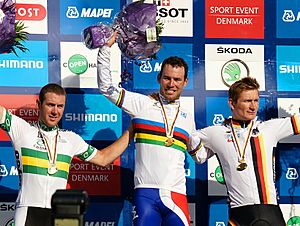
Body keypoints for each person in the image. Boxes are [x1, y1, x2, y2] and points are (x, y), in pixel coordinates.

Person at [97, 34, 207, 226]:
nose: (171, 84)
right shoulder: (141, 104)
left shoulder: (188, 117)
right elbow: (107, 88)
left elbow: (200, 156)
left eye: (177, 79)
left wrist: (225, 137)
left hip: (177, 196)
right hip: (145, 194)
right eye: (167, 78)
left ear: (185, 82)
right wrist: (105, 49)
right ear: (159, 78)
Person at [0, 83, 131, 226]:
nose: (55, 111)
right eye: (50, 105)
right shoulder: (22, 130)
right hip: (27, 212)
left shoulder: (71, 139)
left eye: (60, 106)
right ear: (39, 104)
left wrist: (132, 129)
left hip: (59, 214)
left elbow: (104, 159)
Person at [196, 77, 297, 225]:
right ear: (232, 103)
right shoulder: (215, 133)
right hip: (239, 215)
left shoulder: (270, 128)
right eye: (247, 101)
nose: (253, 106)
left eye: (256, 100)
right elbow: (197, 155)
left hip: (270, 212)